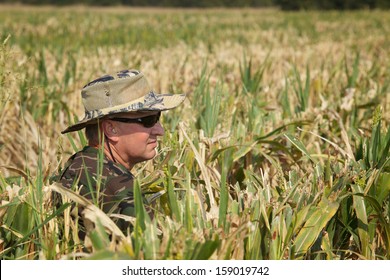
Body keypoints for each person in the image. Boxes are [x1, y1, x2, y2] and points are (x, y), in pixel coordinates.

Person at [56, 69, 186, 233]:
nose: (160, 131)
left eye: (157, 117)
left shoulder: (77, 165)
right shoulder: (119, 189)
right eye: (148, 120)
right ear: (111, 129)